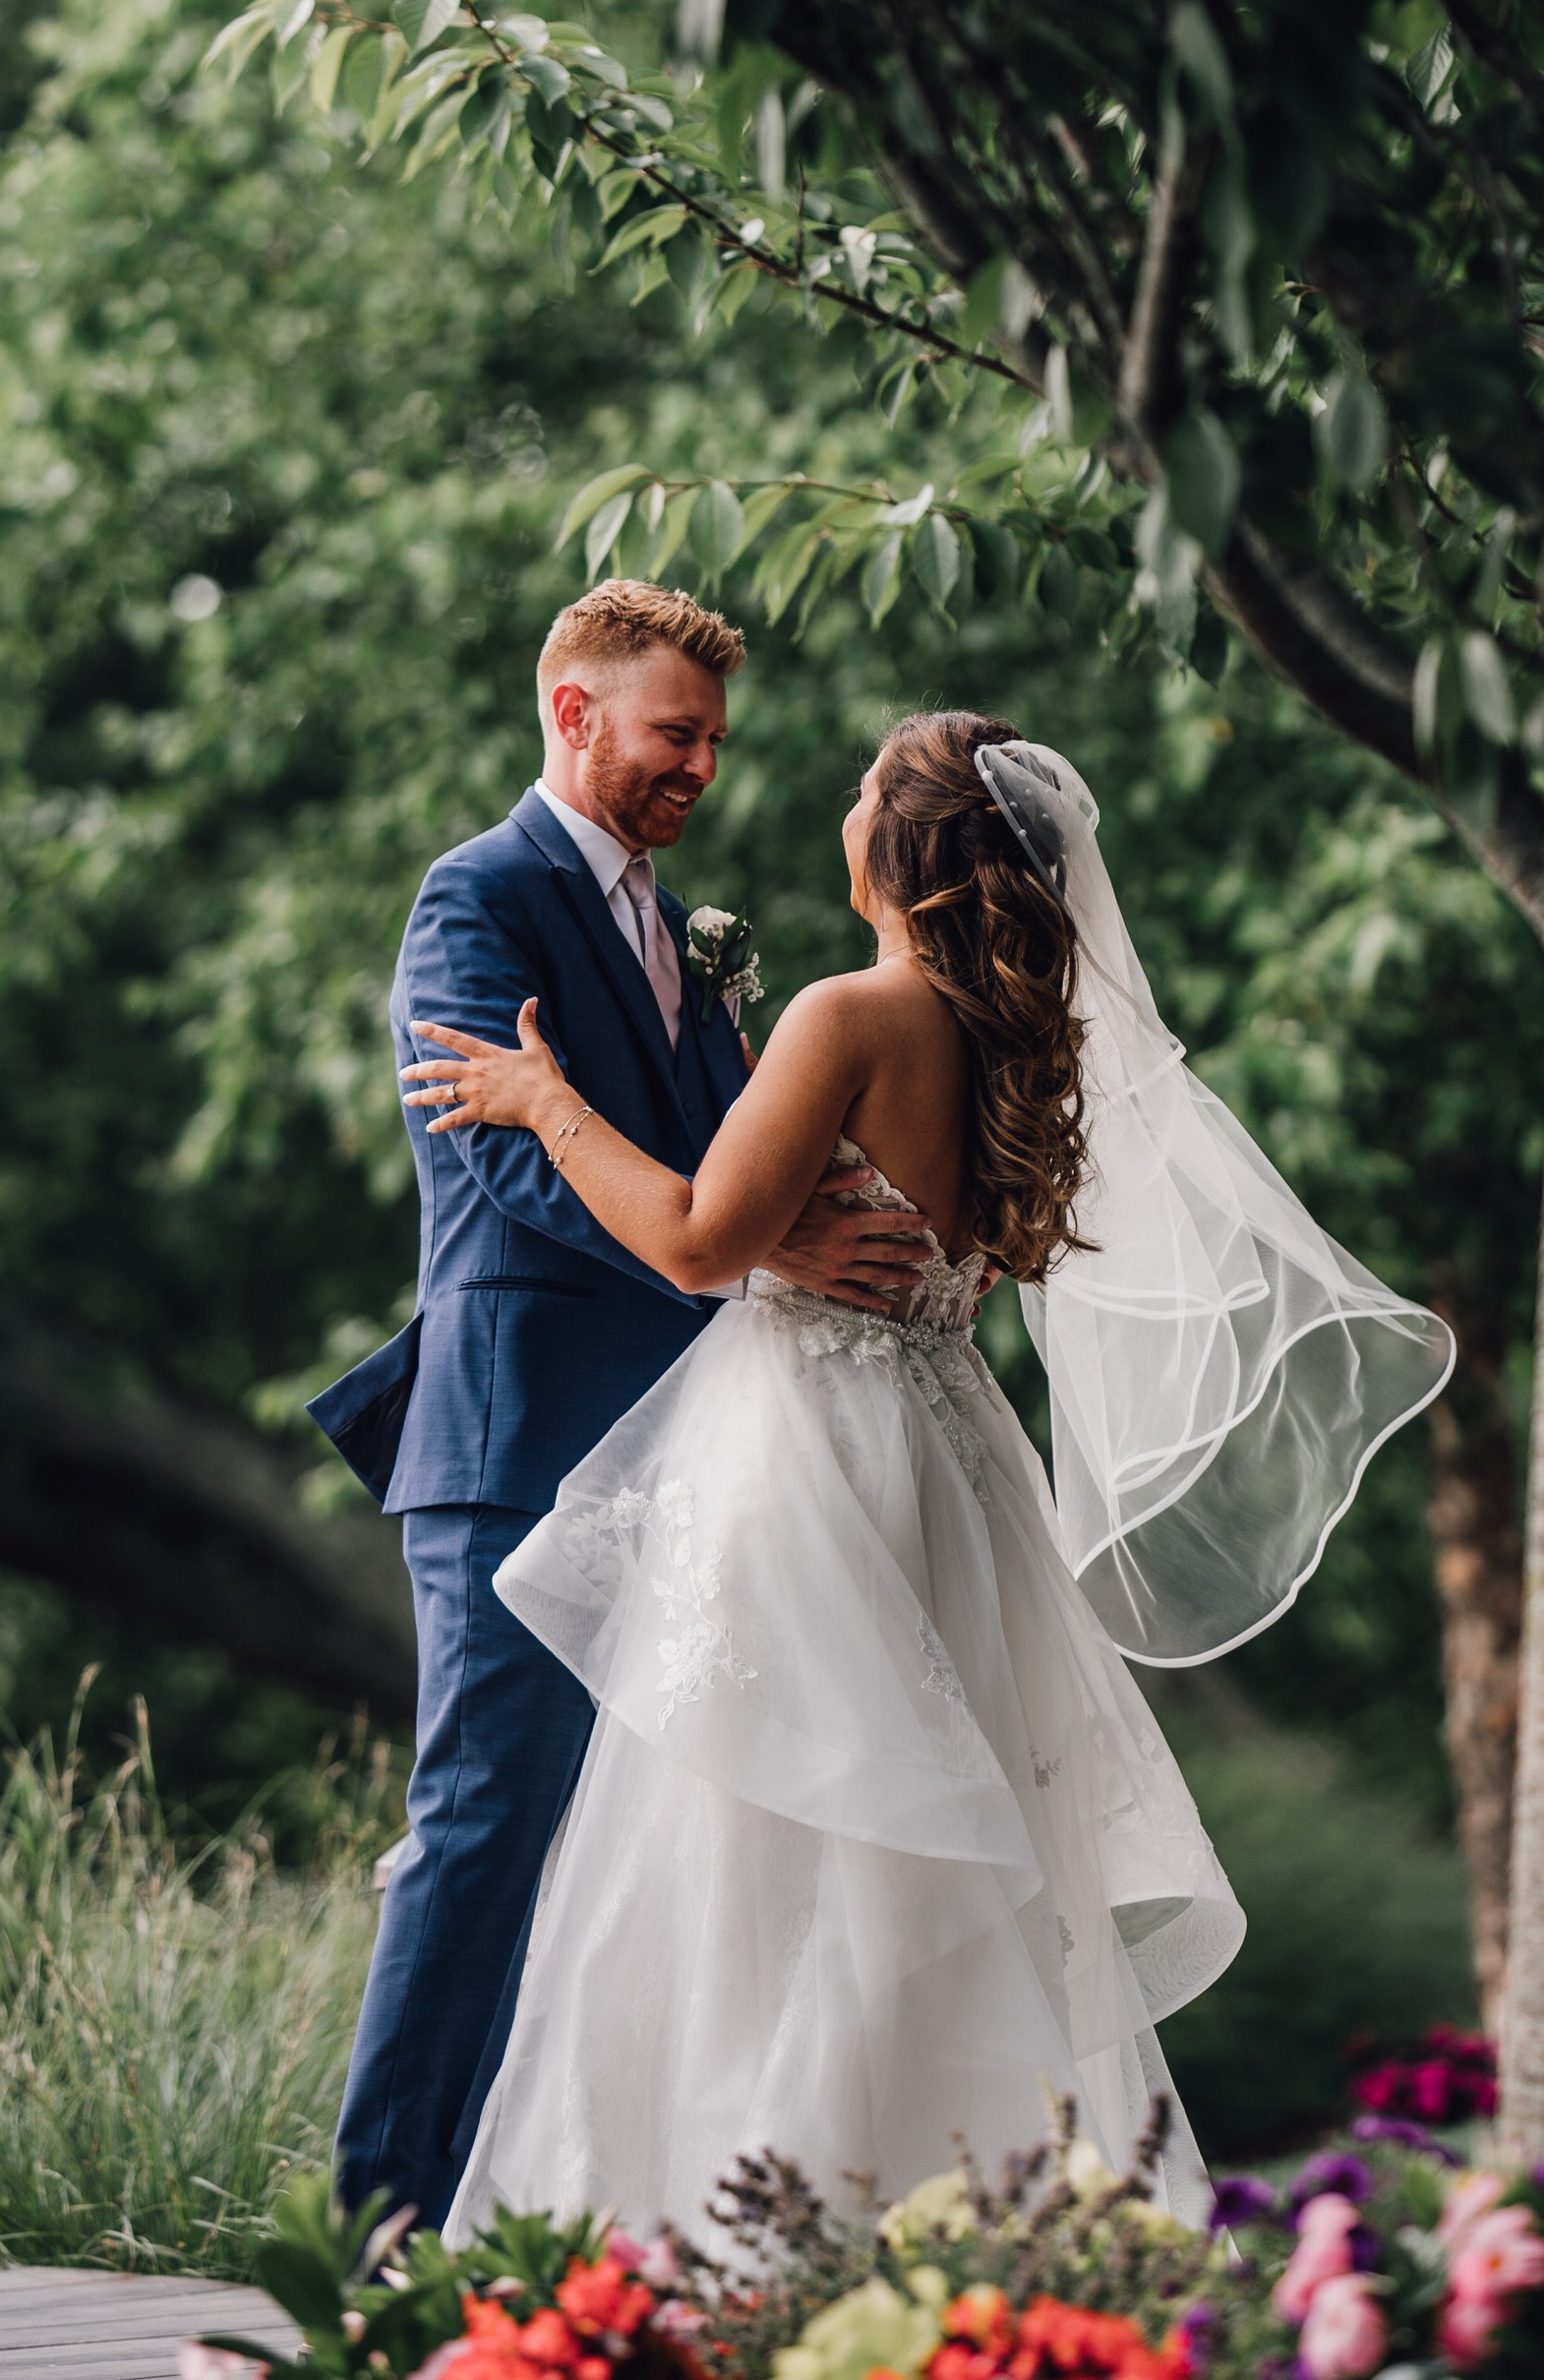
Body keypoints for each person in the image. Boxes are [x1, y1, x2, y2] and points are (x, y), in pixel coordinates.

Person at [404, 709, 1455, 2240]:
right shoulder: (1012, 1043)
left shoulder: (848, 1015)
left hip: (811, 1470)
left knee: (760, 1871)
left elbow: (700, 1240)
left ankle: (762, 2241)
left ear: (894, 847)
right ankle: (936, 2229)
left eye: (854, 796)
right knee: (924, 1892)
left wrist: (543, 1100)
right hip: (950, 1470)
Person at [313, 582, 934, 2238]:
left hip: (684, 1453)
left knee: (632, 1863)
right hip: (518, 1447)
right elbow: (507, 1164)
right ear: (574, 711)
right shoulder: (479, 898)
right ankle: (377, 2245)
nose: (701, 767)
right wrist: (743, 1246)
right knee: (486, 1830)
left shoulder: (680, 930)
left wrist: (775, 1218)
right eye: (676, 732)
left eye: (716, 743)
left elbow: (732, 1156)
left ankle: (540, 2230)